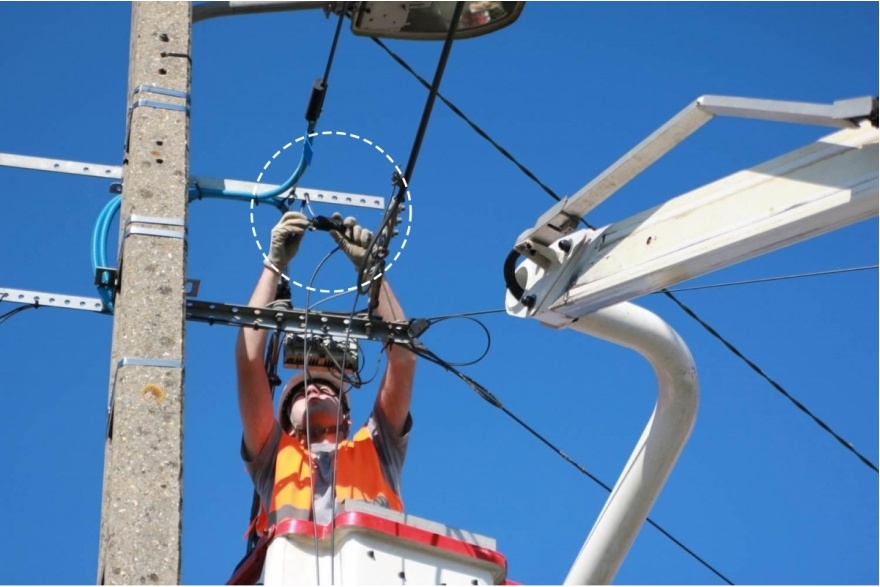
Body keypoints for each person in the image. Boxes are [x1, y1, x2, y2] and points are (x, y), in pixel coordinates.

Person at [235, 210, 417, 532]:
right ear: (286, 425)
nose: (314, 389)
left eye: (329, 390)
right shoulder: (274, 459)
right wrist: (273, 265)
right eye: (301, 393)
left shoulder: (378, 449)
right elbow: (249, 360)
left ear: (347, 419)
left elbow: (403, 358)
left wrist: (373, 273)